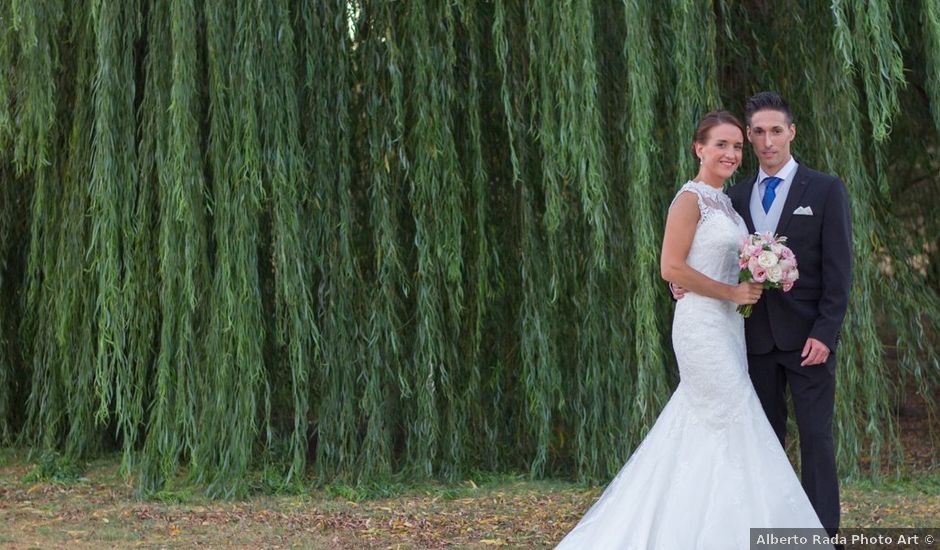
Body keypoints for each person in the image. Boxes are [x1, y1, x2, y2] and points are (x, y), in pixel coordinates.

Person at [555, 111, 832, 549]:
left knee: (711, 425)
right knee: (730, 418)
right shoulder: (690, 199)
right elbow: (670, 265)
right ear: (698, 148)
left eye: (737, 146)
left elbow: (698, 263)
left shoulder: (728, 201)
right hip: (702, 329)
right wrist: (728, 292)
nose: (731, 153)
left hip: (729, 329)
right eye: (721, 144)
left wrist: (759, 272)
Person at [674, 92, 852, 537]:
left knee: (815, 440)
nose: (767, 141)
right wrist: (681, 279)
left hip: (808, 340)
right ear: (749, 138)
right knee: (762, 442)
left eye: (776, 131)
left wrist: (825, 334)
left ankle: (821, 535)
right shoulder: (729, 196)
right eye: (757, 133)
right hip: (749, 340)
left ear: (791, 132)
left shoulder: (826, 189)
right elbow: (698, 252)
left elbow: (839, 270)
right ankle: (770, 532)